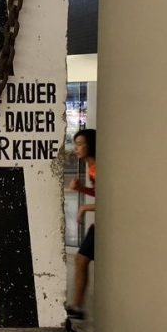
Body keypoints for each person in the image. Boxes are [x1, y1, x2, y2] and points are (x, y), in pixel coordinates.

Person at [66, 128, 96, 320]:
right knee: (81, 260)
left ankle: (77, 306)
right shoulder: (92, 168)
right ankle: (76, 305)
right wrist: (83, 189)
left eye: (80, 144)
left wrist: (85, 208)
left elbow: (112, 200)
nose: (76, 149)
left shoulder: (99, 167)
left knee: (81, 260)